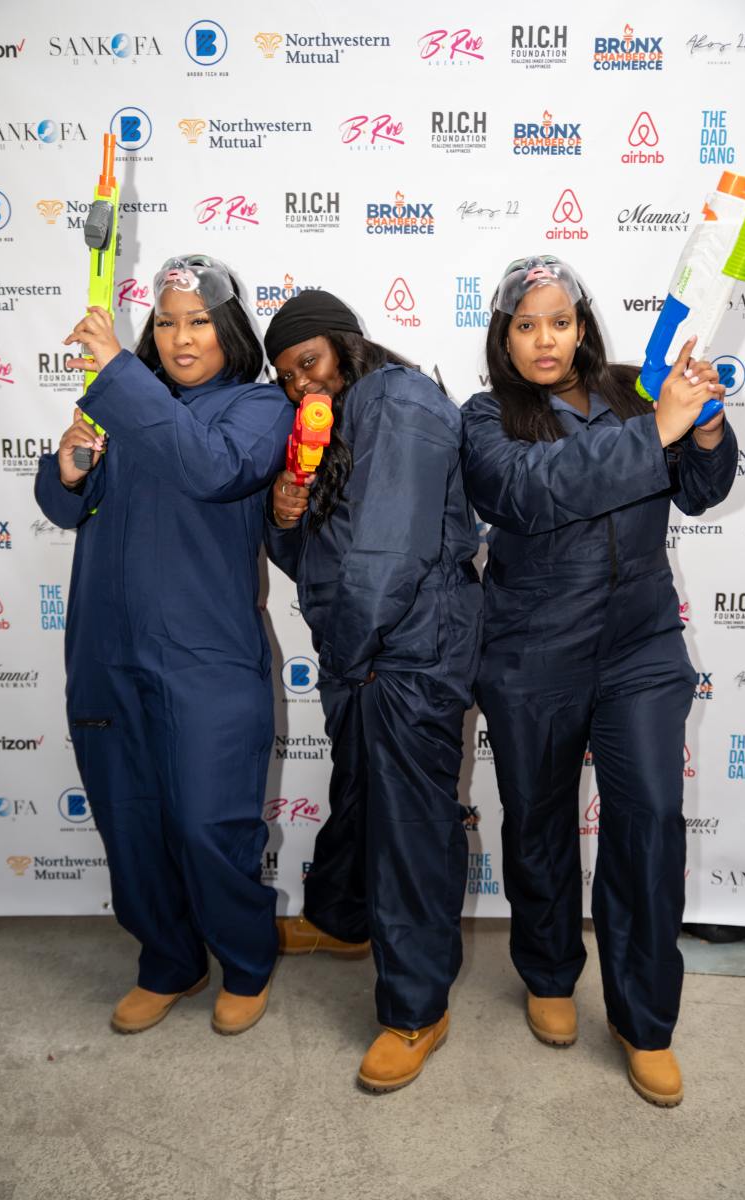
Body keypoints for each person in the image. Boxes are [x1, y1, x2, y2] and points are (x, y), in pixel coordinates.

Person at [460, 256, 737, 1107]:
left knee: (649, 822)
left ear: (582, 327)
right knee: (538, 820)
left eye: (559, 321)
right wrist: (659, 430)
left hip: (639, 647)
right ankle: (548, 971)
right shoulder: (485, 417)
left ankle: (644, 1019)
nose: (545, 340)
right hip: (531, 651)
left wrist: (704, 429)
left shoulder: (634, 391)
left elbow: (700, 491)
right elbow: (530, 491)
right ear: (504, 337)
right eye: (526, 325)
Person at [35, 255, 294, 1036]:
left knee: (211, 824)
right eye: (169, 322)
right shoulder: (124, 404)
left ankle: (245, 960)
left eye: (200, 321)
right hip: (106, 647)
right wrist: (69, 471)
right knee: (129, 820)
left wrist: (117, 372)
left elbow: (211, 467)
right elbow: (65, 508)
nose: (182, 337)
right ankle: (169, 961)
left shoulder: (258, 407)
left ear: (229, 330)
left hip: (204, 652)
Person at [263, 290, 482, 1092]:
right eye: (287, 376)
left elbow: (389, 556)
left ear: (345, 344)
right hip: (362, 651)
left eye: (309, 362)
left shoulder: (398, 401)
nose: (301, 384)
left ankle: (417, 1009)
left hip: (410, 653)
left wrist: (351, 654)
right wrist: (285, 517)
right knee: (358, 794)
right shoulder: (335, 423)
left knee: (410, 828)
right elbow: (315, 561)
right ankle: (342, 921)